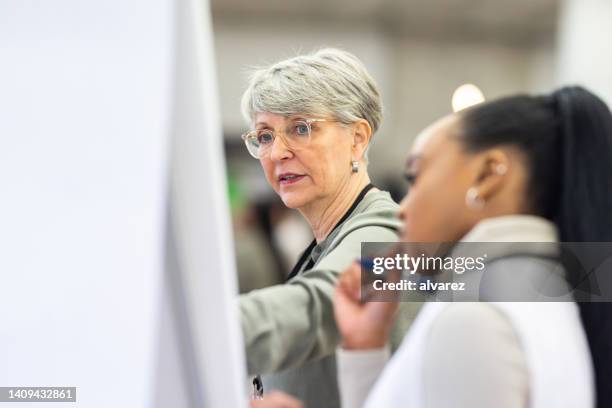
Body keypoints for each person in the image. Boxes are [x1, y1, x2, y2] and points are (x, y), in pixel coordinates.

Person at [332, 86, 612, 407]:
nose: (402, 209)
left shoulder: (473, 321)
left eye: (415, 176)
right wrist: (365, 345)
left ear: (488, 174)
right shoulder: (542, 300)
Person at [238, 48, 418, 408]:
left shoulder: (384, 233)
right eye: (265, 136)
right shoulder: (326, 242)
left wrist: (196, 330)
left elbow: (323, 304)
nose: (277, 153)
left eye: (301, 129)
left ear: (358, 138)